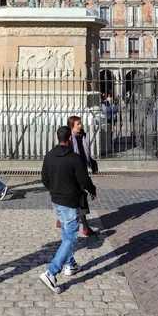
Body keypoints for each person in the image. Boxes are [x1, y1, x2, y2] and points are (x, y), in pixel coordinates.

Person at [40, 125, 97, 294]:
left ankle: (70, 264)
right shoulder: (74, 158)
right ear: (70, 139)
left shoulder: (49, 156)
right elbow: (84, 179)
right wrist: (92, 190)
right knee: (70, 238)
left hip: (56, 200)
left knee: (65, 232)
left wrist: (54, 189)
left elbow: (44, 178)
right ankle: (51, 272)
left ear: (57, 138)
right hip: (71, 200)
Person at [56, 116, 98, 237]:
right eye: (77, 124)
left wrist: (91, 161)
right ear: (71, 127)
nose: (80, 126)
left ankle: (61, 220)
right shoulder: (70, 140)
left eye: (80, 124)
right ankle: (85, 227)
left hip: (82, 167)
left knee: (77, 197)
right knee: (80, 197)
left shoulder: (81, 136)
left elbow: (85, 152)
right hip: (74, 171)